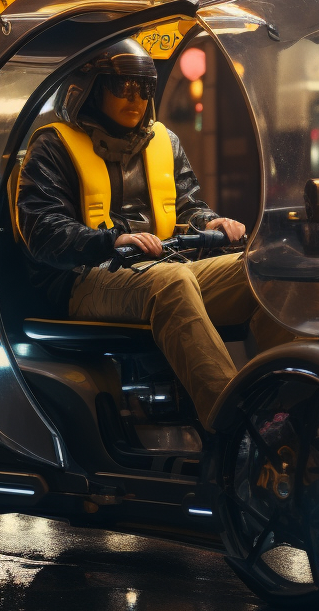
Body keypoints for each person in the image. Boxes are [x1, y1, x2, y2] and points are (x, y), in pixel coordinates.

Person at [14, 39, 284, 427]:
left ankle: (290, 407)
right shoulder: (53, 147)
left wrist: (210, 222)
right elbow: (42, 232)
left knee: (263, 269)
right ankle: (234, 428)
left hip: (164, 266)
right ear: (90, 89)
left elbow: (188, 205)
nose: (136, 97)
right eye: (123, 86)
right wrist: (110, 241)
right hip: (86, 278)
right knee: (171, 282)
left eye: (144, 87)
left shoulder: (165, 141)